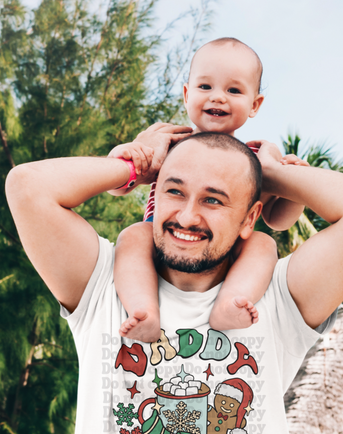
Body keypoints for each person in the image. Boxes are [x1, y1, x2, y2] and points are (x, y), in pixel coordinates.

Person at [5, 127, 343, 434]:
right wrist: (135, 165)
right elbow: (27, 186)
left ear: (249, 218)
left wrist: (268, 172)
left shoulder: (277, 297)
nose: (187, 216)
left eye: (213, 200)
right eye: (174, 191)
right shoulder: (104, 282)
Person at [110, 38, 309, 344]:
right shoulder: (168, 143)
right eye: (205, 87)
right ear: (186, 94)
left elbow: (277, 220)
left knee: (263, 244)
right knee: (133, 236)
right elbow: (118, 187)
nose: (218, 97)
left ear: (254, 104)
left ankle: (232, 301)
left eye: (234, 90)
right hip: (160, 238)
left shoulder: (254, 160)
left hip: (221, 250)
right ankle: (143, 309)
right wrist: (128, 154)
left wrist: (294, 185)